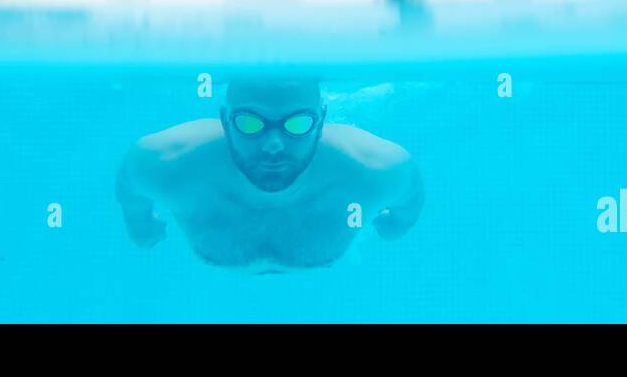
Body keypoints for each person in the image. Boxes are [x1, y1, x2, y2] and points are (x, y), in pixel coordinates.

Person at [115, 78, 423, 272]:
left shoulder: (375, 169)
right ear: (224, 120)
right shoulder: (165, 163)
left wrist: (398, 223)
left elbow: (410, 199)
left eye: (298, 124)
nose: (274, 145)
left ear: (322, 121)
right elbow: (130, 185)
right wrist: (137, 221)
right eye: (249, 122)